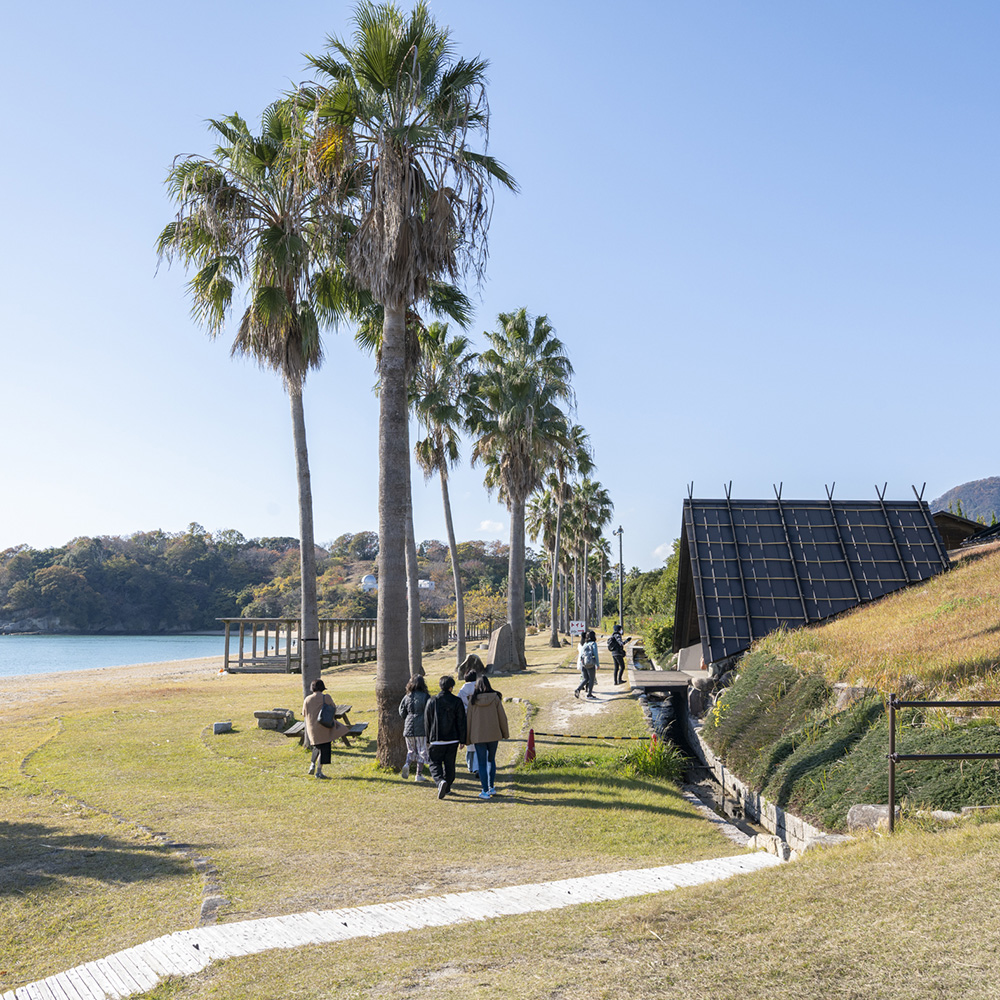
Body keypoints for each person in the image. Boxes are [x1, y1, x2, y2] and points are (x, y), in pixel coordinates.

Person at [423, 675, 467, 799]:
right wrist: (462, 739)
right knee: (450, 764)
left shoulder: (432, 700)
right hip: (453, 739)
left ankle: (440, 781)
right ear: (451, 687)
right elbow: (461, 721)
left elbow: (427, 721)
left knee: (434, 763)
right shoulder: (457, 701)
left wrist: (427, 739)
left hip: (436, 738)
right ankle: (447, 788)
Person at [465, 675, 509, 799]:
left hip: (478, 736)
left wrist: (467, 738)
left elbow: (469, 720)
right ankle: (492, 787)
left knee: (482, 763)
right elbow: (502, 717)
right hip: (494, 734)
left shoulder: (472, 700)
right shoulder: (495, 698)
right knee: (491, 760)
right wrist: (505, 733)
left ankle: (484, 790)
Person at [302, 679, 349, 780]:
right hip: (323, 726)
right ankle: (319, 771)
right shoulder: (326, 697)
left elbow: (303, 713)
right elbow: (333, 708)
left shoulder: (307, 699)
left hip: (311, 728)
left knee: (317, 746)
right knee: (324, 748)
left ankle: (312, 765)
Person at [398, 674, 431, 782]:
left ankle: (407, 764)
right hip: (422, 727)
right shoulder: (425, 696)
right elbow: (430, 711)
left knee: (411, 750)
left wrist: (408, 718)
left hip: (408, 726)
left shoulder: (407, 696)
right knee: (422, 751)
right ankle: (418, 774)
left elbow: (401, 711)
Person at [458, 666, 479, 773]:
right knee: (477, 743)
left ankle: (470, 766)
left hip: (466, 718)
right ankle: (477, 766)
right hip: (477, 718)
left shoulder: (462, 691)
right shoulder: (479, 688)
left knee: (469, 744)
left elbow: (459, 705)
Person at [573, 630, 599, 699]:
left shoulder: (585, 644)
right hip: (590, 664)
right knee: (591, 679)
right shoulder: (593, 644)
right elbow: (596, 654)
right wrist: (597, 664)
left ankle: (578, 689)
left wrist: (582, 663)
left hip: (583, 664)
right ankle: (589, 694)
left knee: (585, 678)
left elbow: (581, 654)